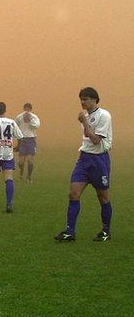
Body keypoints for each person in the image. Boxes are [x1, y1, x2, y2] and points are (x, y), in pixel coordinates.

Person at [55, 87, 113, 242]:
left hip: (99, 160)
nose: (82, 102)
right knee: (73, 194)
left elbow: (95, 140)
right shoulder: (85, 115)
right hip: (84, 160)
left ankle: (105, 231)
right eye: (81, 99)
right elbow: (87, 141)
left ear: (95, 99)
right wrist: (81, 157)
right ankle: (70, 232)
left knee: (103, 197)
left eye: (86, 99)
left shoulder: (104, 115)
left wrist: (85, 121)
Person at [15, 103, 41, 183]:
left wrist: (30, 121)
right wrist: (18, 138)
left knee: (30, 160)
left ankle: (29, 177)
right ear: (24, 109)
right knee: (21, 162)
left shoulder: (34, 117)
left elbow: (36, 126)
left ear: (30, 109)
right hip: (22, 140)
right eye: (25, 109)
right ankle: (21, 171)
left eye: (28, 109)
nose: (27, 111)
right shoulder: (19, 117)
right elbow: (15, 127)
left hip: (31, 140)